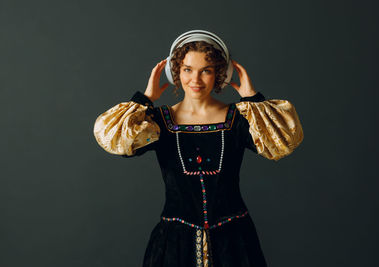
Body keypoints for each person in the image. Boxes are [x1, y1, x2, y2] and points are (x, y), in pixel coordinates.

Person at [93, 30, 304, 267]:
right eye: (187, 69)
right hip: (175, 246)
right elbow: (113, 139)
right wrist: (145, 99)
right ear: (176, 72)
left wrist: (252, 97)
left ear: (219, 74)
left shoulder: (239, 119)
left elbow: (285, 141)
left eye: (206, 70)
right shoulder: (158, 122)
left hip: (234, 245)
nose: (196, 79)